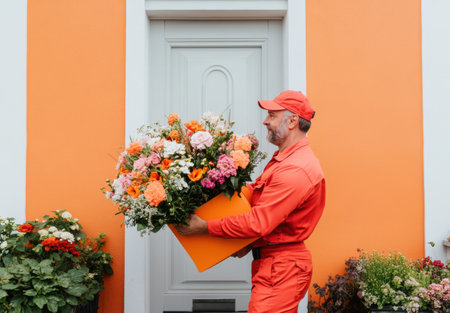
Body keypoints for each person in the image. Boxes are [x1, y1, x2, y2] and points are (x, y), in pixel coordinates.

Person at [175, 90, 326, 313]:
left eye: (272, 115)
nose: (265, 121)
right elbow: (257, 201)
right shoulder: (284, 161)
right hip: (274, 264)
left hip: (282, 268)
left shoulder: (295, 169)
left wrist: (204, 227)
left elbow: (258, 222)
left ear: (293, 121)